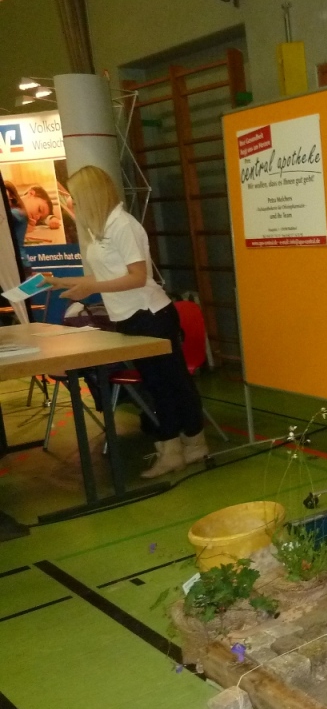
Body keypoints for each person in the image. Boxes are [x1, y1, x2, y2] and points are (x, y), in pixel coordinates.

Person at [46, 166, 208, 478]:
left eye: (75, 198)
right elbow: (106, 276)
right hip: (131, 319)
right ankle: (175, 447)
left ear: (90, 196)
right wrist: (60, 282)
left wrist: (91, 288)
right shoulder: (103, 229)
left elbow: (137, 277)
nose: (71, 204)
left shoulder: (123, 225)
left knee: (169, 385)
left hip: (151, 316)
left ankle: (186, 445)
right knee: (158, 385)